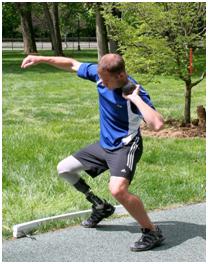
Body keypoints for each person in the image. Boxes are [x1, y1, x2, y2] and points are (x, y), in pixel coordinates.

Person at [21, 53, 165, 252]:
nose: (102, 83)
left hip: (125, 147)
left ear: (121, 75)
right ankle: (99, 206)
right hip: (104, 145)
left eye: (106, 81)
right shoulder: (99, 75)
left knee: (118, 190)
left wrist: (135, 99)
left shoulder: (133, 92)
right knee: (64, 169)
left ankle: (151, 231)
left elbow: (157, 124)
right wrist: (40, 59)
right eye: (101, 79)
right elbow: (72, 64)